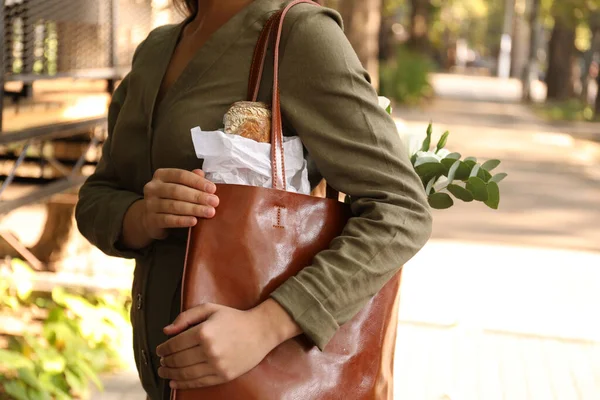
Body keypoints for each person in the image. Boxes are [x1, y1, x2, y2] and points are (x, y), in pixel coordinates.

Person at [75, 0, 433, 398]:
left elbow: (401, 209)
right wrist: (142, 217)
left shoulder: (297, 35)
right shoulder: (156, 48)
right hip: (167, 382)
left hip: (267, 381)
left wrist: (267, 325)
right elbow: (97, 197)